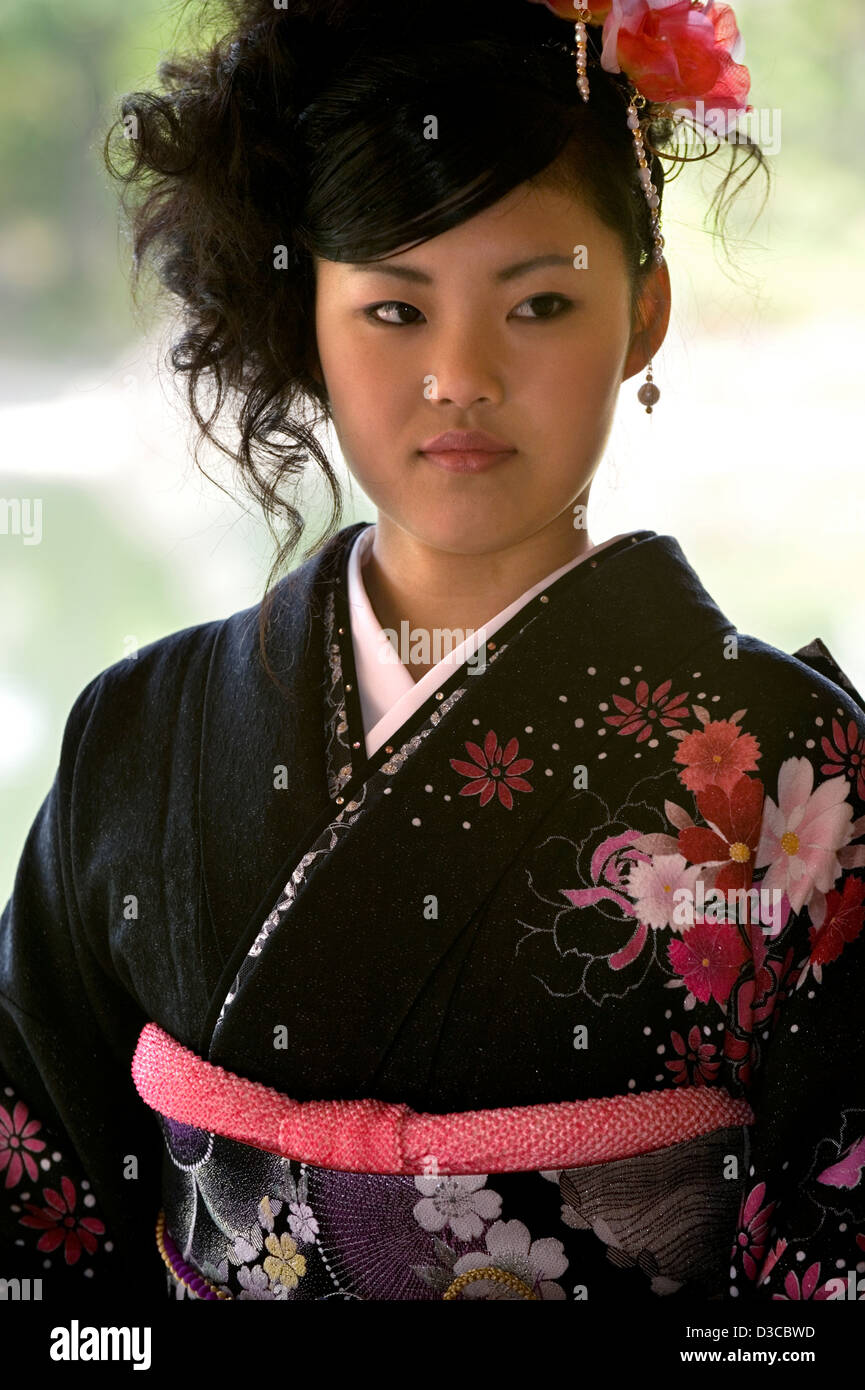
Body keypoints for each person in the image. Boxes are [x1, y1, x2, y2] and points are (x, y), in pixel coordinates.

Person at [2, 0, 864, 1304]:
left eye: (538, 302)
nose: (459, 374)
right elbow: (41, 1211)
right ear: (308, 323)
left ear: (643, 312)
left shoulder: (798, 776)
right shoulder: (138, 733)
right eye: (394, 312)